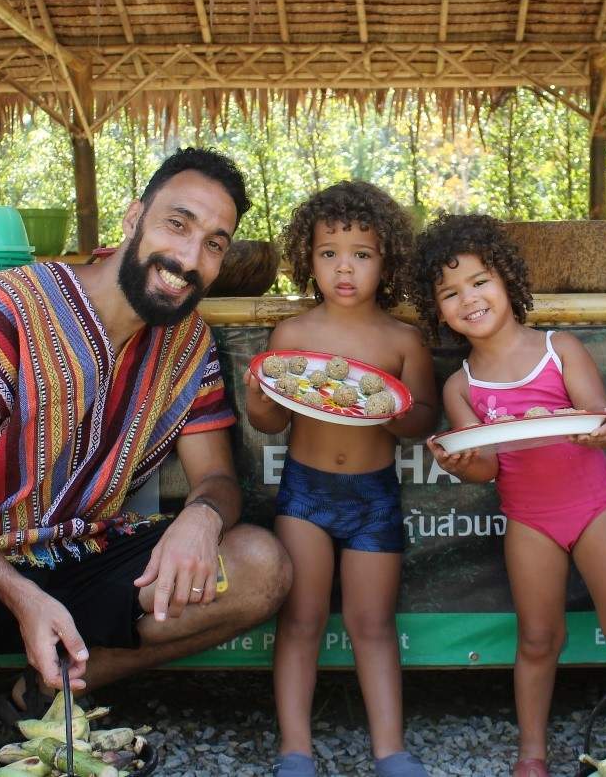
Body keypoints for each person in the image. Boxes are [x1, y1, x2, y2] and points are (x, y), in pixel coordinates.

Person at [0, 148, 293, 777]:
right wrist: (22, 597)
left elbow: (215, 478)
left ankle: (46, 689)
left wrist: (203, 518)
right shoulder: (6, 307)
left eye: (215, 242)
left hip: (76, 552)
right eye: (176, 225)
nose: (189, 259)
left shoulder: (187, 342)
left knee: (260, 568)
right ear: (133, 219)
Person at [412, 214, 606, 777]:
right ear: (439, 311)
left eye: (480, 281)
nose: (469, 298)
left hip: (594, 509)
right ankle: (531, 753)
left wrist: (582, 424)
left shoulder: (561, 349)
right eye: (450, 293)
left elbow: (602, 427)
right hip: (529, 521)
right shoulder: (461, 385)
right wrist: (459, 464)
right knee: (536, 637)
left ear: (506, 280)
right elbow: (483, 469)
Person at [244, 181, 439, 777]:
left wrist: (400, 413)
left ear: (388, 260)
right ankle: (294, 750)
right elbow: (271, 421)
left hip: (374, 498)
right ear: (309, 259)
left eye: (362, 253)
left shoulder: (403, 341)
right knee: (300, 620)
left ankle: (390, 750)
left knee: (373, 625)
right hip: (305, 494)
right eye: (329, 253)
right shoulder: (294, 338)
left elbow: (423, 419)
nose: (345, 267)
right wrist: (258, 396)